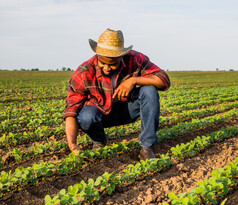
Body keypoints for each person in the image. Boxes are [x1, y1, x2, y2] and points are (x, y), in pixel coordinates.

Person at [63, 28, 170, 160]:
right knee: (86, 116)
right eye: (103, 63)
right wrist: (72, 144)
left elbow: (163, 79)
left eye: (113, 64)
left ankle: (147, 148)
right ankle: (99, 141)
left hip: (127, 110)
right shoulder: (84, 72)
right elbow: (71, 111)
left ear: (121, 56)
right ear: (97, 55)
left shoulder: (135, 59)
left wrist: (133, 80)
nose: (107, 69)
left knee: (149, 90)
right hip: (100, 115)